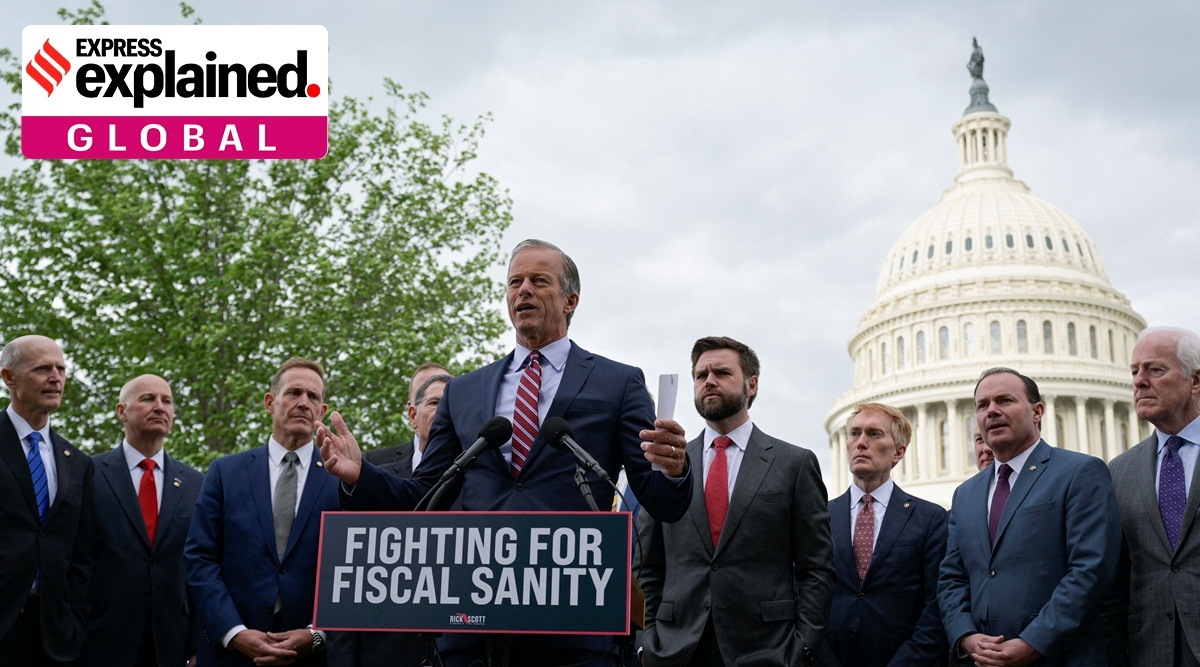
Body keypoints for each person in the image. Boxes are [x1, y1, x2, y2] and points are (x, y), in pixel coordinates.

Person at [320, 239, 692, 667]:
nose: (523, 291)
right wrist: (359, 474)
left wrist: (674, 469)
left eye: (539, 281)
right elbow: (423, 495)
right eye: (515, 282)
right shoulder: (464, 390)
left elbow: (658, 498)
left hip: (572, 621)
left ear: (571, 300)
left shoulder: (618, 382)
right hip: (473, 622)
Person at [636, 336, 833, 667]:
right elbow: (646, 564)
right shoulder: (667, 466)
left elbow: (817, 568)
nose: (709, 381)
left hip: (767, 652)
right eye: (701, 375)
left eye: (723, 373)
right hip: (674, 651)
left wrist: (803, 650)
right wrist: (646, 643)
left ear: (752, 384)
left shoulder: (794, 464)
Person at [938, 367, 1122, 666]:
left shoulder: (1079, 473)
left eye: (1004, 400)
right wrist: (965, 636)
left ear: (1037, 412)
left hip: (1059, 656)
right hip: (981, 660)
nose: (992, 411)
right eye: (983, 405)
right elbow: (951, 577)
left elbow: (1091, 570)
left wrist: (1032, 642)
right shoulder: (966, 494)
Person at [186, 358, 339, 666]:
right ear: (270, 402)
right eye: (294, 392)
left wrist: (318, 633)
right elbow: (200, 559)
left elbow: (353, 569)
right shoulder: (224, 473)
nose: (304, 403)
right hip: (231, 654)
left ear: (322, 413)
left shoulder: (342, 481)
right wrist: (234, 632)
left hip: (315, 657)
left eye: (313, 397)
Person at [76, 374, 204, 667]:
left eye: (167, 401)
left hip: (172, 643)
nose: (160, 407)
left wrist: (198, 644)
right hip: (100, 640)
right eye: (148, 398)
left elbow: (200, 565)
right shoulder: (88, 474)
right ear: (122, 411)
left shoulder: (196, 484)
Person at [327, 372, 452, 667]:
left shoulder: (482, 476)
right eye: (435, 403)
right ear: (412, 414)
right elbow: (349, 575)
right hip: (386, 651)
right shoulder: (372, 469)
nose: (444, 413)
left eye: (451, 406)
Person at [820, 402, 947, 667]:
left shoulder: (930, 519)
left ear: (898, 451)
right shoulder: (821, 518)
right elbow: (805, 595)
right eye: (854, 433)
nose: (861, 442)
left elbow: (935, 605)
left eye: (874, 434)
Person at [1105, 326, 1200, 667]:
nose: (1139, 381)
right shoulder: (1119, 472)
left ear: (1196, 381)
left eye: (1155, 370)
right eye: (1134, 371)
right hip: (1148, 651)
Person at [0, 335, 93, 666]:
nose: (56, 378)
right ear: (9, 377)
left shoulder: (78, 462)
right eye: (43, 369)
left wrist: (76, 620)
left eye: (61, 369)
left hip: (55, 635)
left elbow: (81, 551)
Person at [362, 362, 449, 467]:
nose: (442, 410)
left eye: (448, 399)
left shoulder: (472, 463)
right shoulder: (373, 463)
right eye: (434, 402)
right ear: (412, 413)